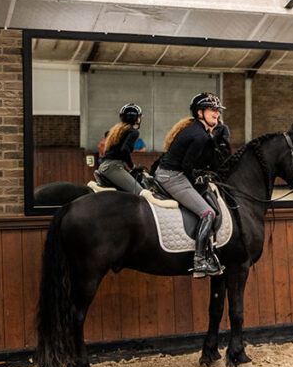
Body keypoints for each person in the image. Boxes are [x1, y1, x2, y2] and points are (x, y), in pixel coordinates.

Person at [156, 92, 229, 276]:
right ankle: (199, 260)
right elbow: (186, 166)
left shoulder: (197, 129)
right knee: (208, 212)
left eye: (217, 111)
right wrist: (196, 179)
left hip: (173, 172)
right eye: (212, 110)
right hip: (172, 177)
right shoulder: (199, 136)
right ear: (199, 113)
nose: (216, 114)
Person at [96, 103, 147, 195]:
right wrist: (132, 167)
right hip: (114, 168)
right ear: (137, 118)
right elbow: (125, 150)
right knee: (141, 193)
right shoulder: (133, 132)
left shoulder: (117, 131)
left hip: (104, 165)